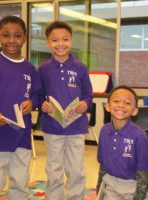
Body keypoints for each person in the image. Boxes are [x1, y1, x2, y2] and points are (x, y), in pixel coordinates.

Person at [0, 16, 41, 200]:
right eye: (6, 35)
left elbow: (37, 93)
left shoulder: (29, 67)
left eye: (17, 36)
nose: (12, 40)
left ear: (25, 38)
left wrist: (32, 103)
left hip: (21, 133)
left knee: (20, 180)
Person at [37, 21, 93, 200]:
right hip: (52, 127)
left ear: (71, 40)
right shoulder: (43, 69)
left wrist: (85, 103)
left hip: (76, 127)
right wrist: (41, 104)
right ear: (47, 42)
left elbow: (88, 95)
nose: (60, 44)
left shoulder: (80, 68)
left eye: (65, 39)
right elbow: (37, 94)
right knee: (54, 169)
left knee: (75, 169)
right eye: (55, 40)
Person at [97, 85, 148, 200]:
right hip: (110, 184)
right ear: (107, 106)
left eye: (127, 103)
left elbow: (143, 172)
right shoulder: (104, 130)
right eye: (116, 101)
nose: (121, 105)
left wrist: (139, 197)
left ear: (135, 111)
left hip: (132, 186)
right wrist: (98, 192)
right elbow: (102, 165)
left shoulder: (139, 135)